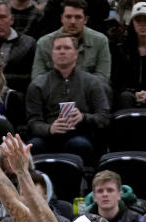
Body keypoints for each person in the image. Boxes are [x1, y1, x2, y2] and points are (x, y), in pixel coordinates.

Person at [25, 34, 110, 165]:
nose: (62, 51)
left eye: (67, 48)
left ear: (76, 53)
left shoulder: (92, 82)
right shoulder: (38, 85)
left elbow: (104, 117)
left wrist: (83, 117)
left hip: (80, 134)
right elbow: (33, 122)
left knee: (79, 145)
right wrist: (50, 129)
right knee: (32, 146)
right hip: (48, 137)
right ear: (52, 53)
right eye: (58, 48)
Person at [31, 0, 111, 85]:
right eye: (68, 17)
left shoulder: (100, 41)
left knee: (105, 89)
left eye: (78, 17)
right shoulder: (44, 43)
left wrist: (74, 89)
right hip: (53, 93)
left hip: (88, 93)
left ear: (85, 20)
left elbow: (102, 77)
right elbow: (37, 78)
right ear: (62, 18)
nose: (73, 22)